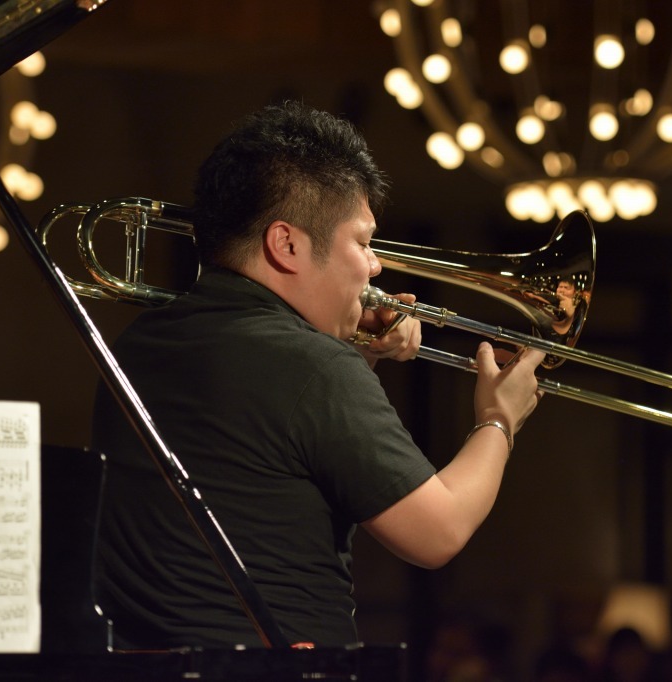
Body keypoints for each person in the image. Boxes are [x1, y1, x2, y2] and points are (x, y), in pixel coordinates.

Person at [90, 101, 545, 650]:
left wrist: (359, 355)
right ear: (286, 244)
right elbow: (438, 532)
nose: (376, 266)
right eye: (363, 241)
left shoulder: (137, 343)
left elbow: (269, 461)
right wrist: (499, 418)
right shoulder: (314, 367)